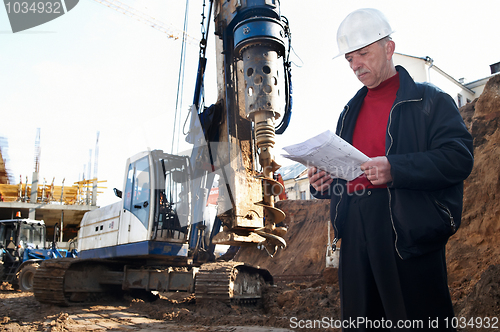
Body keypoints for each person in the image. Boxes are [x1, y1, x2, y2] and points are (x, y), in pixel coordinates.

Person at [308, 8, 474, 331]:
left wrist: (394, 168)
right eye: (349, 59)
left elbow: (459, 157)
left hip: (405, 231)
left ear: (389, 49)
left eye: (363, 54)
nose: (356, 65)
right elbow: (346, 175)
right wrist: (324, 183)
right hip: (355, 233)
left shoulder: (430, 101)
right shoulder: (349, 112)